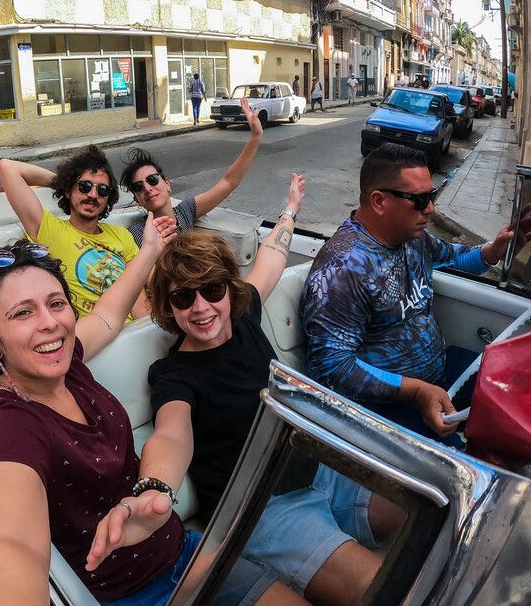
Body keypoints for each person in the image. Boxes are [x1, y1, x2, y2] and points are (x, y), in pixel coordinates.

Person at [0, 224, 306, 606]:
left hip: (182, 550)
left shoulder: (66, 358)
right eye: (23, 313)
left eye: (56, 303)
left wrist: (150, 249)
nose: (49, 323)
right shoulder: (7, 426)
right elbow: (10, 543)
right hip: (129, 594)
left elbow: (109, 314)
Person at [91, 176, 390, 605]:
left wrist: (289, 210)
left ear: (229, 289)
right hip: (262, 509)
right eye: (182, 298)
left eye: (212, 290)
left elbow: (271, 257)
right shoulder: (174, 373)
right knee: (384, 589)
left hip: (320, 467)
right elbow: (171, 435)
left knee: (428, 515)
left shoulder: (244, 309)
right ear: (167, 307)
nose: (201, 307)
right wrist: (153, 489)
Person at [301, 144, 531, 443]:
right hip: (389, 408)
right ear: (379, 201)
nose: (431, 208)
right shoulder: (343, 270)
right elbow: (333, 369)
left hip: (439, 376)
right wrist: (417, 391)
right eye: (420, 199)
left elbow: (454, 257)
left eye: (431, 196)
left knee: (516, 392)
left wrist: (493, 251)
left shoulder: (412, 236)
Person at [0, 146, 142, 318]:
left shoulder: (121, 235)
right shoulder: (50, 229)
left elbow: (140, 290)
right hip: (89, 337)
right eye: (84, 186)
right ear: (68, 190)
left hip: (133, 332)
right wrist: (63, 183)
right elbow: (7, 167)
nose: (93, 195)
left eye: (102, 190)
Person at [120, 98, 263, 247]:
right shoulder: (137, 232)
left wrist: (255, 137)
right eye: (138, 187)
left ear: (167, 184)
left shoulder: (184, 212)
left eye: (152, 180)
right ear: (137, 200)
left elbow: (229, 182)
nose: (147, 188)